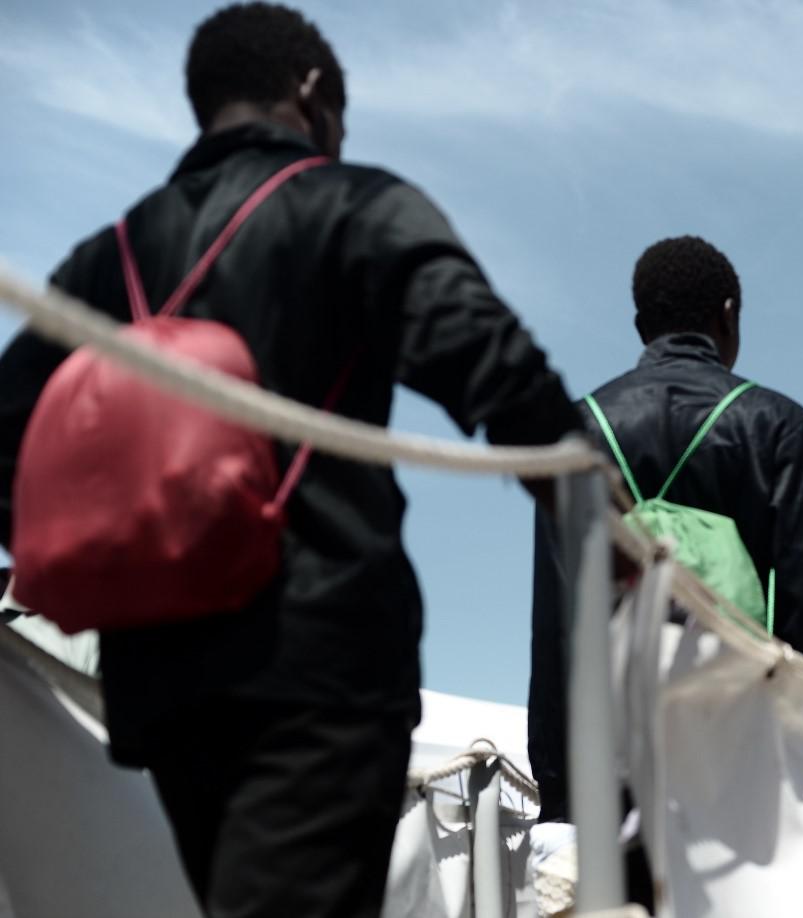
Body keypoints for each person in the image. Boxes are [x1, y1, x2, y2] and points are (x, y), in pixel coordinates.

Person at [0, 5, 581, 916]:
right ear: (312, 93)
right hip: (320, 655)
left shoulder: (100, 261)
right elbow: (488, 360)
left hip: (162, 680)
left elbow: (9, 449)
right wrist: (592, 497)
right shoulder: (351, 202)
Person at [527, 235, 803, 823]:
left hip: (618, 742)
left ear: (642, 325)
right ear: (729, 314)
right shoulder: (776, 423)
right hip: (746, 740)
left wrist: (559, 791)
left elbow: (557, 617)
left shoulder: (579, 431)